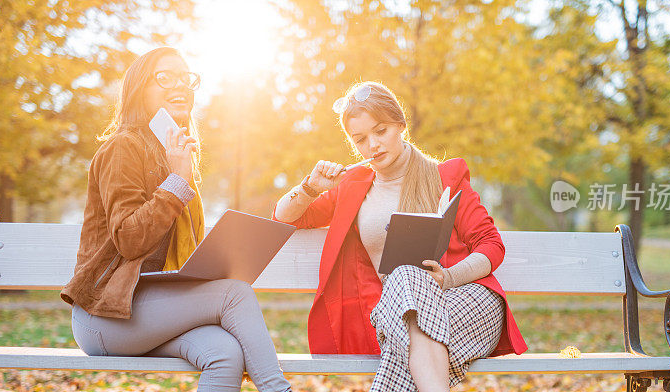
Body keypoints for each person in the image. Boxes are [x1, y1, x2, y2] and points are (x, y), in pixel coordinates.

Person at [60, 47, 291, 392]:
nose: (180, 85)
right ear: (140, 89)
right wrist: (178, 182)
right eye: (165, 77)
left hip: (147, 310)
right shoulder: (122, 148)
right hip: (103, 316)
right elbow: (129, 239)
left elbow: (180, 254)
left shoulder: (175, 155)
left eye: (186, 78)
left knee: (224, 352)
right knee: (235, 295)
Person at [273, 81, 528, 391]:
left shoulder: (445, 176)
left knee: (407, 283)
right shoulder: (352, 185)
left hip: (468, 304)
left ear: (401, 124)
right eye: (361, 139)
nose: (373, 146)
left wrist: (447, 278)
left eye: (380, 131)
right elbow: (286, 216)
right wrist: (311, 187)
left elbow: (491, 244)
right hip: (400, 317)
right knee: (408, 310)